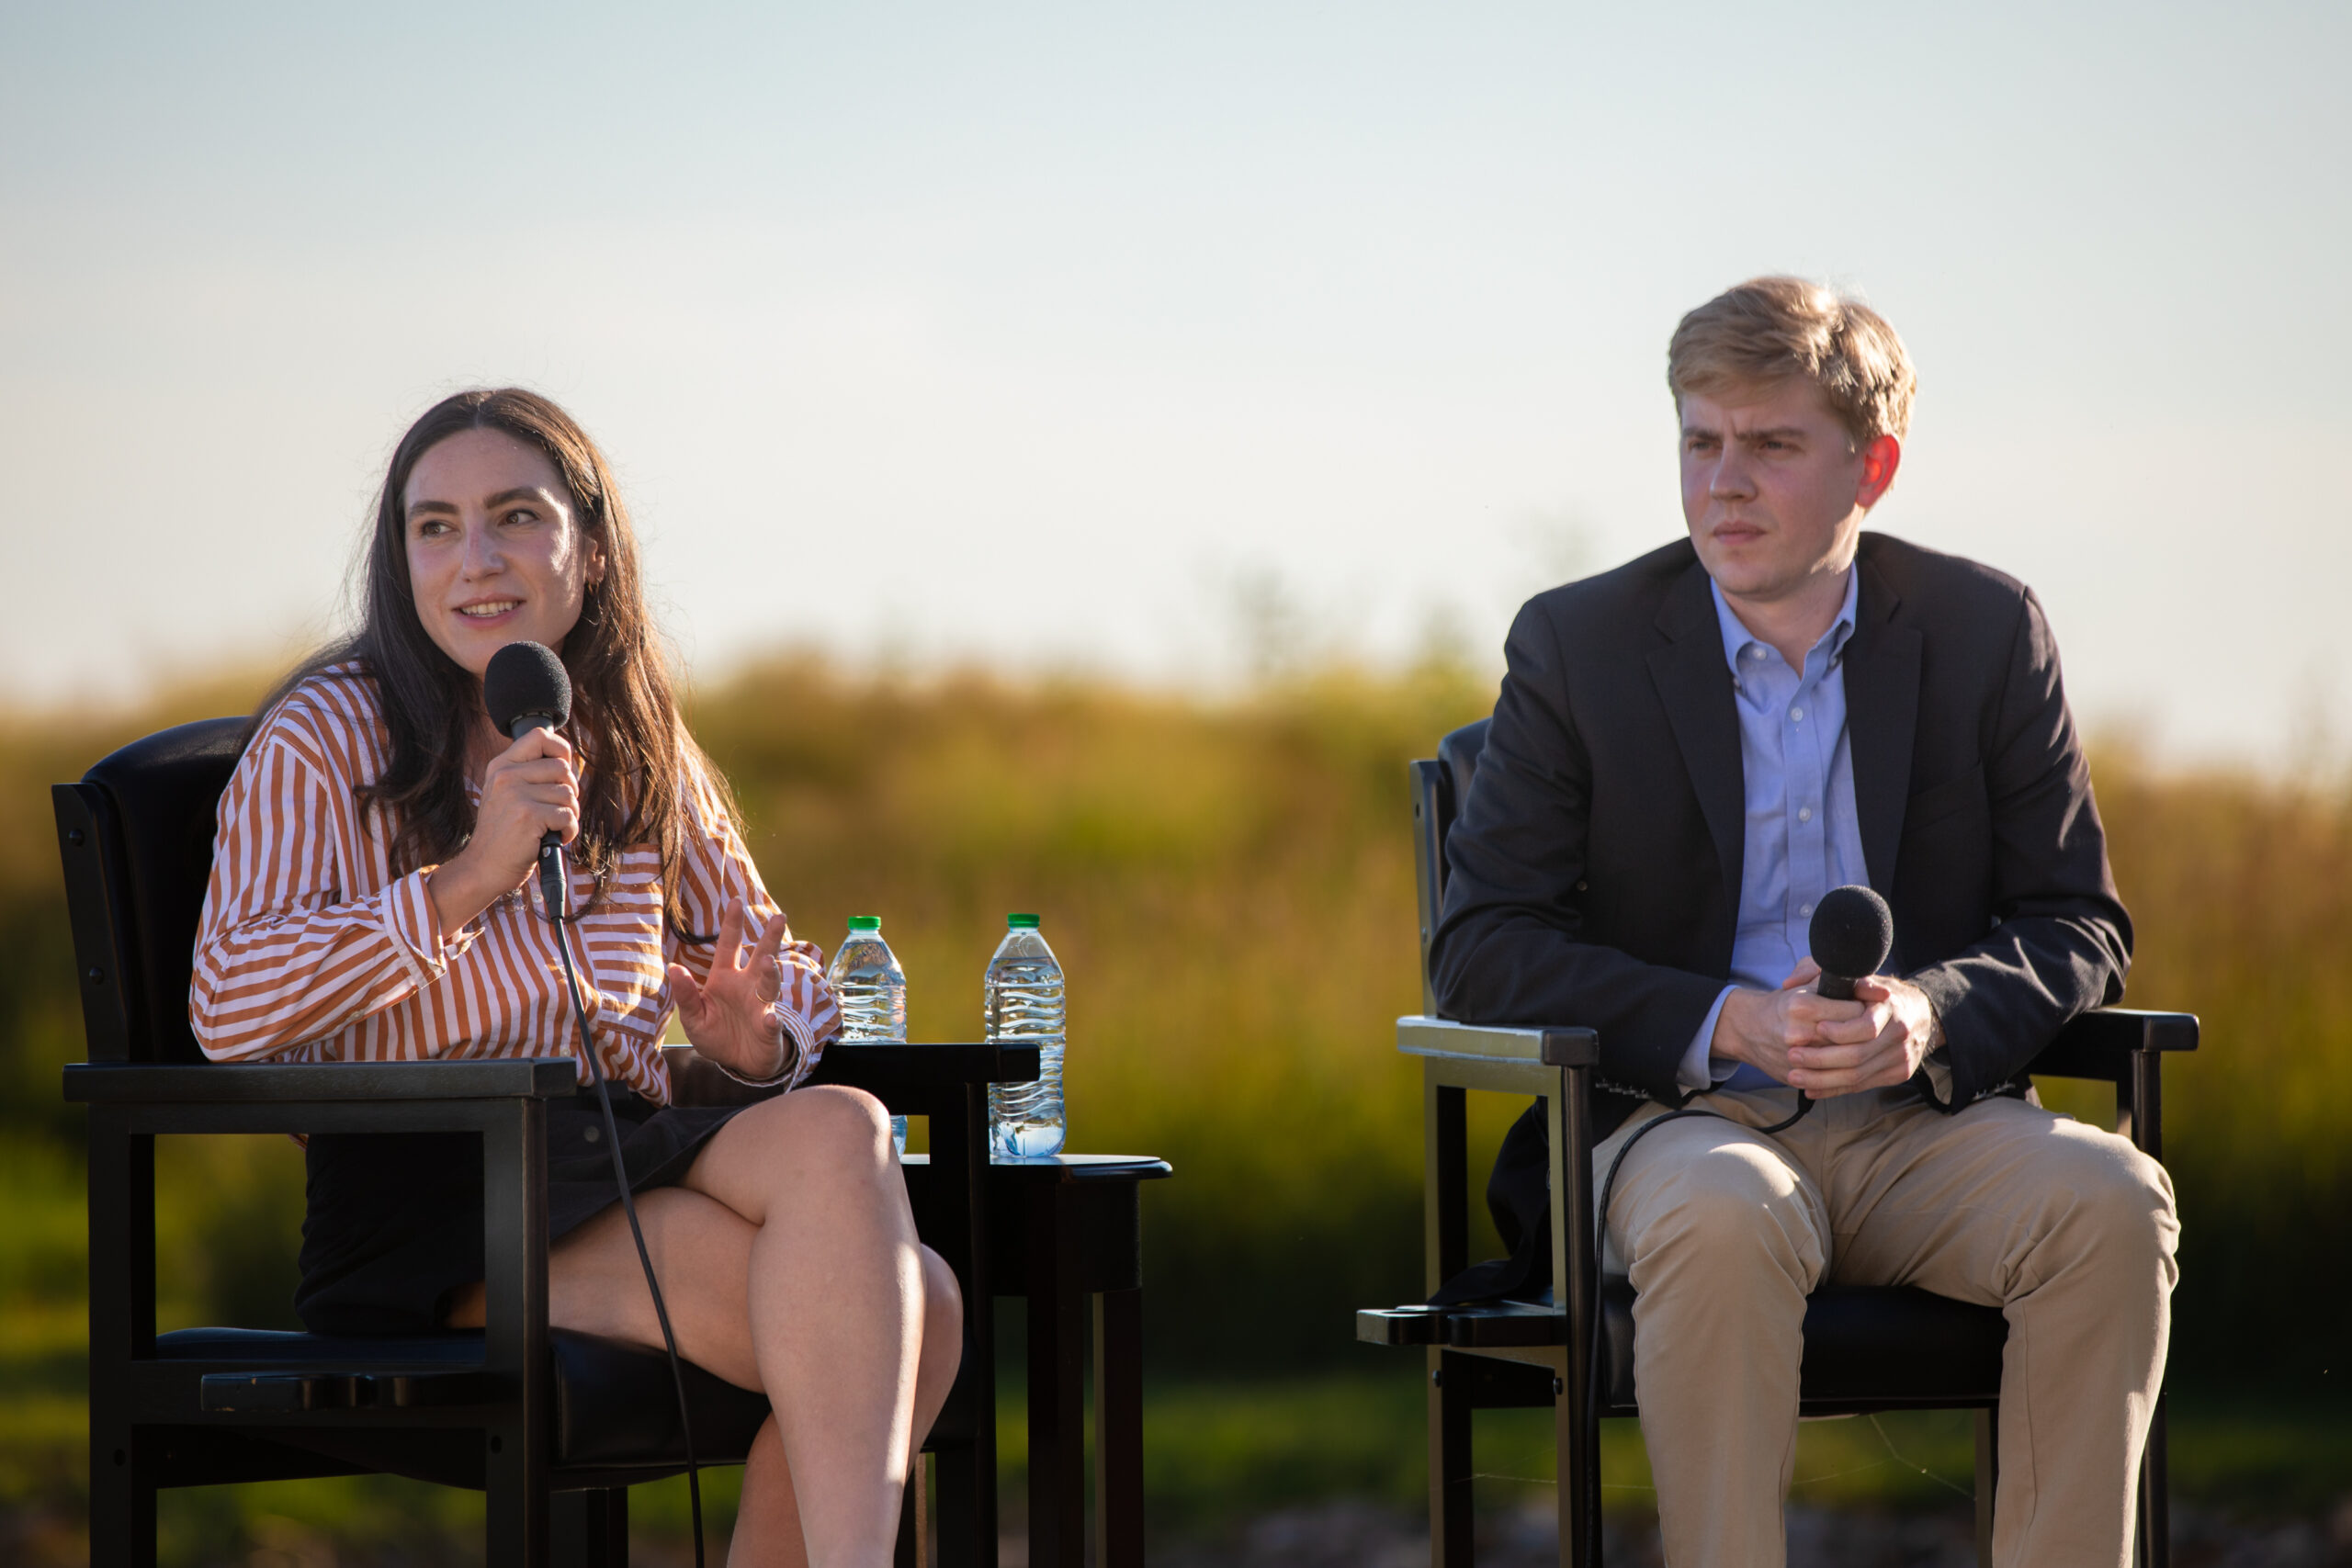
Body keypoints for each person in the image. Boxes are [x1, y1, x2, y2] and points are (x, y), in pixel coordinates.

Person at [1430, 278, 2178, 1567]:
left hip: (1923, 1124)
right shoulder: (1579, 644)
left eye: (1770, 444)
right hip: (1676, 1123)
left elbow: (2077, 918)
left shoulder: (1985, 629)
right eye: (1699, 440)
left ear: (1870, 465)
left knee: (2112, 1197)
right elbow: (1482, 942)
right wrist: (1725, 1017)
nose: (1725, 481)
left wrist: (1929, 1010)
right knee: (1729, 1216)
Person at [190, 388, 956, 1568]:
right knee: (922, 1317)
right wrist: (465, 879)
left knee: (841, 1123)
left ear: (588, 550)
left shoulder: (630, 730)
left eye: (514, 516)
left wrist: (760, 1046)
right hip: (436, 1189)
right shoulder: (327, 736)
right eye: (434, 526)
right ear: (401, 562)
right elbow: (228, 1007)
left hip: (613, 1142)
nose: (475, 560)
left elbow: (782, 965)